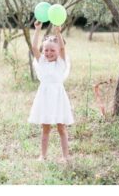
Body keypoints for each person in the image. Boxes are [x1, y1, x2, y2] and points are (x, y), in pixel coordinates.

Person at [29, 21, 74, 161]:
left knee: (61, 128)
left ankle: (65, 156)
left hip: (59, 98)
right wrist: (37, 29)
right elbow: (34, 47)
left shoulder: (61, 63)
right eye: (46, 50)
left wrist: (58, 32)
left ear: (58, 51)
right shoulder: (41, 61)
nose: (48, 53)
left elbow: (62, 48)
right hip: (45, 97)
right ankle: (43, 155)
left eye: (52, 50)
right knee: (45, 128)